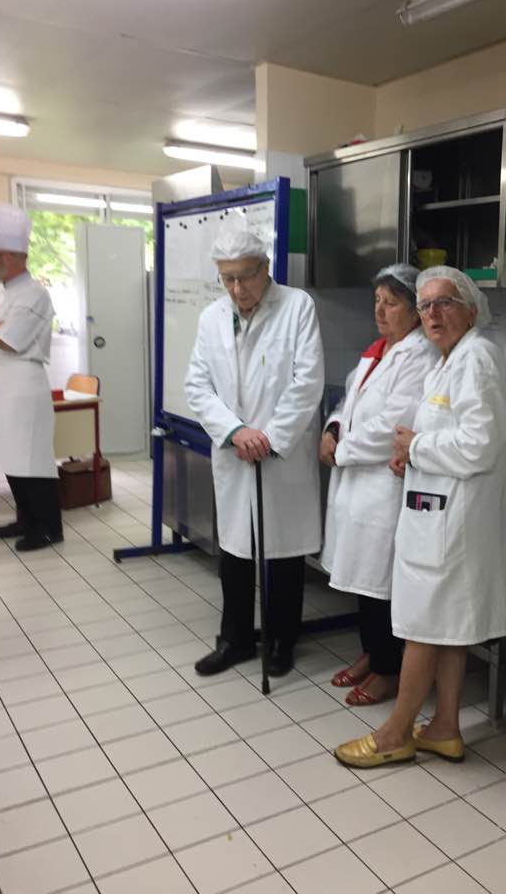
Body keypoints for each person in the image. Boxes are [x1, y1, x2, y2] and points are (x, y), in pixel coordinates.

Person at [335, 266, 506, 767]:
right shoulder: (449, 360)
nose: (433, 313)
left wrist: (416, 448)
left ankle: (395, 734)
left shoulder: (476, 358)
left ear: (471, 310)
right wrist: (412, 455)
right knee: (448, 628)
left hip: (453, 523)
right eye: (425, 305)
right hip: (443, 517)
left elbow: (478, 445)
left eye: (445, 303)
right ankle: (444, 728)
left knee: (422, 626)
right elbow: (446, 433)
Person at [184, 229, 324, 678]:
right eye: (227, 278)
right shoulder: (211, 318)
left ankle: (282, 641)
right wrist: (236, 432)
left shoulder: (297, 307)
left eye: (246, 276)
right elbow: (197, 386)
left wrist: (270, 437)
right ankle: (236, 639)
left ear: (266, 268)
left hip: (280, 453)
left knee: (282, 553)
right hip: (235, 451)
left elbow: (308, 383)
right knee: (235, 552)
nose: (237, 288)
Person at [320, 264, 438, 705]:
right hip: (357, 484)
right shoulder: (377, 352)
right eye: (377, 301)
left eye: (391, 303)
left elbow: (393, 423)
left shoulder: (420, 356)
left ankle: (388, 669)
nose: (380, 311)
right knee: (362, 581)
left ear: (414, 311)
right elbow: (348, 403)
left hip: (383, 488)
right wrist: (332, 428)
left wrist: (342, 450)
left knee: (382, 584)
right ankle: (372, 654)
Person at [0, 205, 63, 552]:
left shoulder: (35, 293)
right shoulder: (4, 294)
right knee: (13, 457)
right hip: (6, 385)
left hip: (26, 385)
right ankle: (26, 520)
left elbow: (9, 340)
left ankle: (48, 528)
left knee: (33, 460)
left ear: (14, 256)